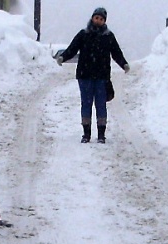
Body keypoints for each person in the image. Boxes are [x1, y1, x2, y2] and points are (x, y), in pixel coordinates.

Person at [56, 7, 130, 144]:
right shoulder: (83, 34)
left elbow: (116, 53)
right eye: (97, 18)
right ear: (92, 18)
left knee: (101, 105)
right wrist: (63, 57)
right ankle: (86, 134)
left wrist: (124, 64)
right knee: (86, 104)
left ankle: (101, 134)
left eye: (101, 19)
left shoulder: (108, 36)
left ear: (104, 21)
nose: (98, 21)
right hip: (84, 76)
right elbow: (72, 49)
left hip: (102, 77)